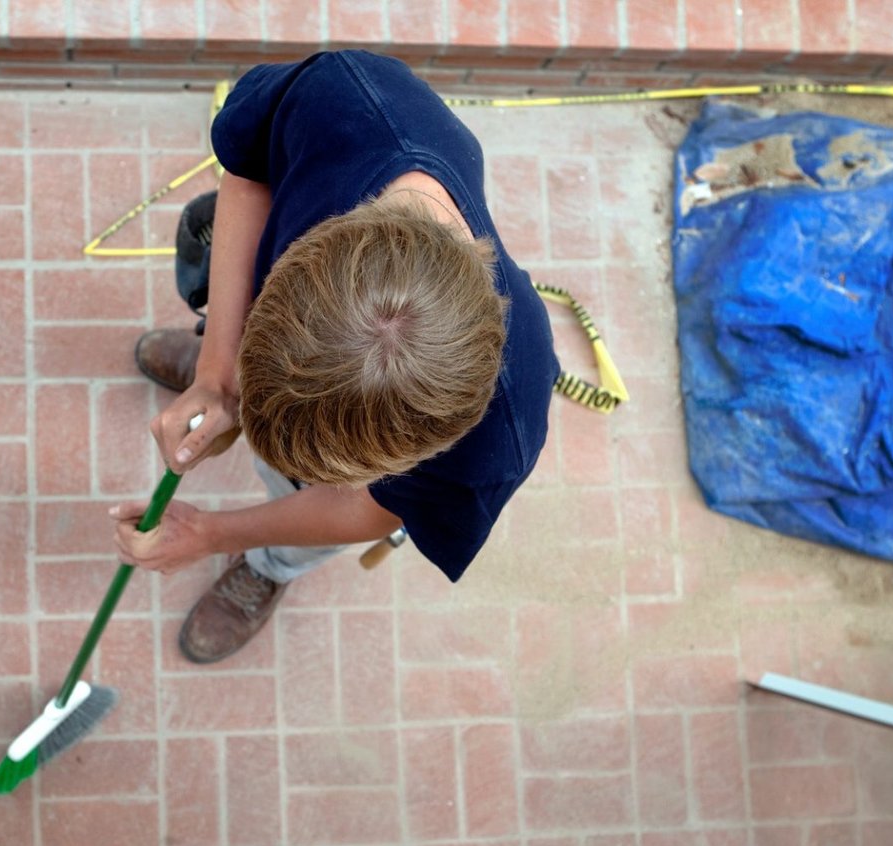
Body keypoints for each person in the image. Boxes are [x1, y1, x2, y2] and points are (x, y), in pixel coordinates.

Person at [111, 50, 560, 663]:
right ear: (299, 263)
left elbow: (370, 508)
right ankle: (212, 362)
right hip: (261, 336)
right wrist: (219, 372)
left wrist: (211, 535)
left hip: (342, 449)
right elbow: (249, 173)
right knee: (213, 283)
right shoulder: (345, 98)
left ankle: (271, 566)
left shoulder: (498, 439)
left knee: (299, 509)